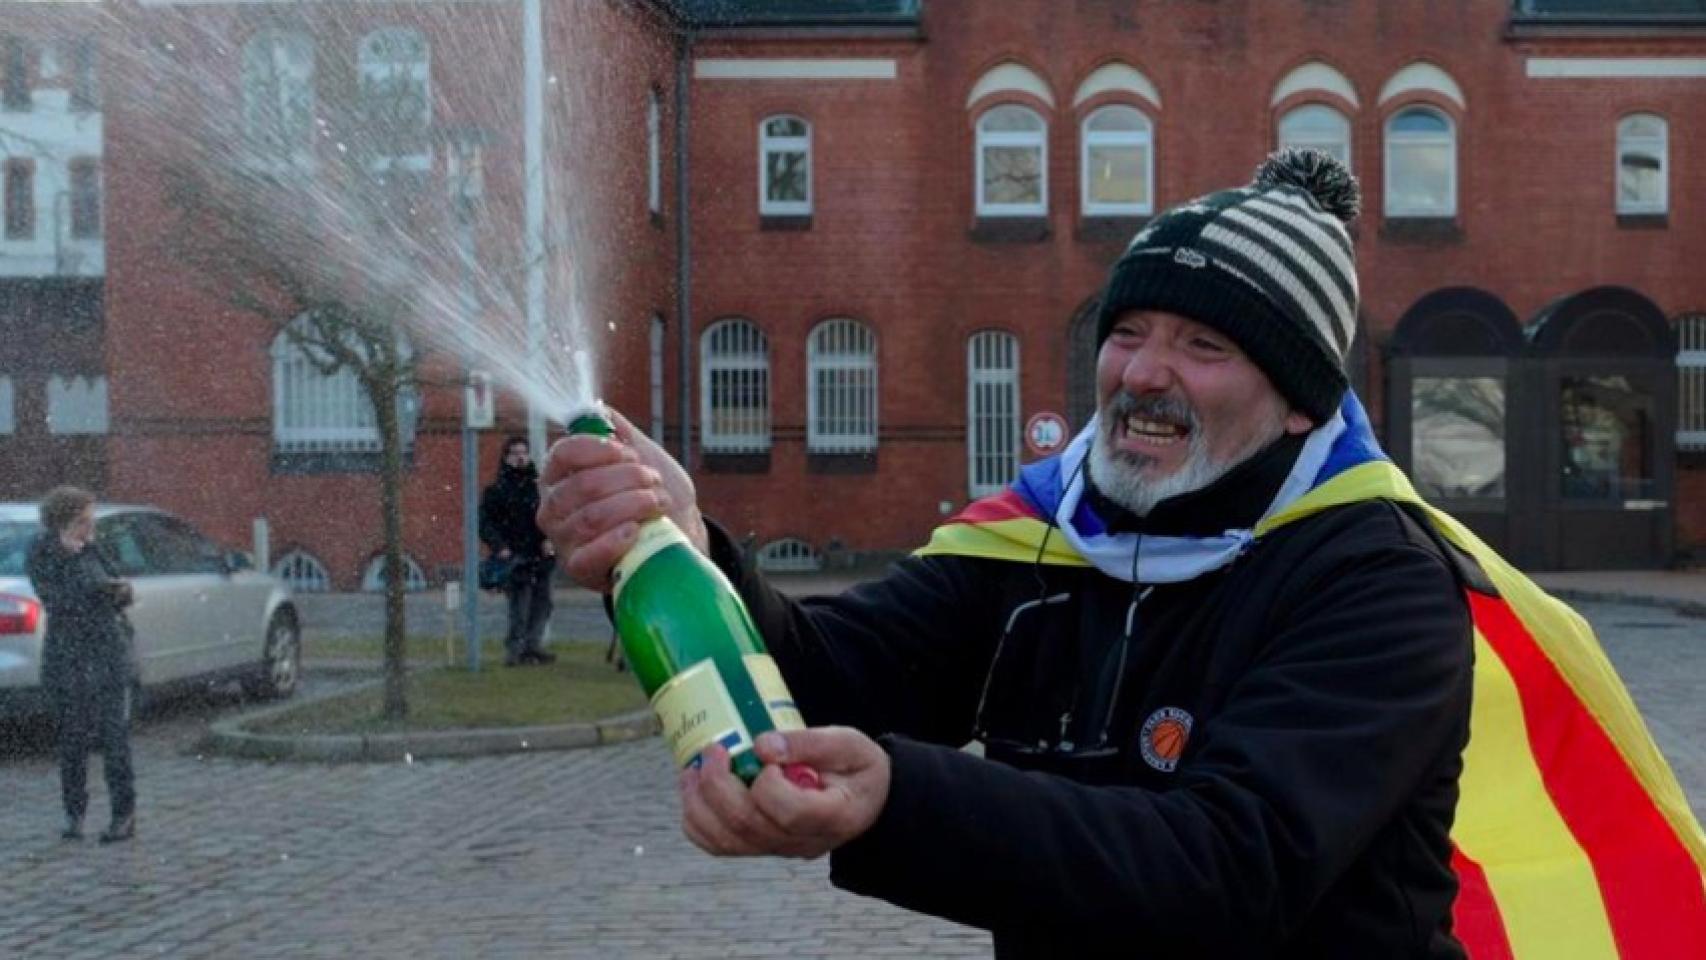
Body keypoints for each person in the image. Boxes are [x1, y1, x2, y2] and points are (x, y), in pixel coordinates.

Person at [538, 150, 1478, 957]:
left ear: (1301, 402)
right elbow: (833, 680)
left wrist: (899, 799)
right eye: (1127, 332)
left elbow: (1229, 865)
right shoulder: (1039, 536)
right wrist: (679, 547)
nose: (1144, 372)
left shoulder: (1378, 580)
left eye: (1204, 345)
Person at [27, 485, 138, 844]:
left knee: (114, 738)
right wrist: (81, 572)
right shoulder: (43, 552)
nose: (90, 528)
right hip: (68, 656)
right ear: (63, 522)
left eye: (91, 521)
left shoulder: (93, 549)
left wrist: (120, 591)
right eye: (83, 521)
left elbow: (118, 587)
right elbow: (58, 600)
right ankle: (74, 814)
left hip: (107, 652)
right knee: (72, 741)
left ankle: (123, 815)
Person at [480, 436, 557, 667]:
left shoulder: (538, 487)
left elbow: (550, 516)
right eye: (515, 453)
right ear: (506, 457)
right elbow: (486, 523)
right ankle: (515, 650)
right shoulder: (497, 491)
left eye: (524, 452)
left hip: (539, 553)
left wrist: (548, 539)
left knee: (543, 603)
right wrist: (500, 546)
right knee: (519, 605)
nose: (521, 457)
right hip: (514, 554)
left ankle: (533, 646)